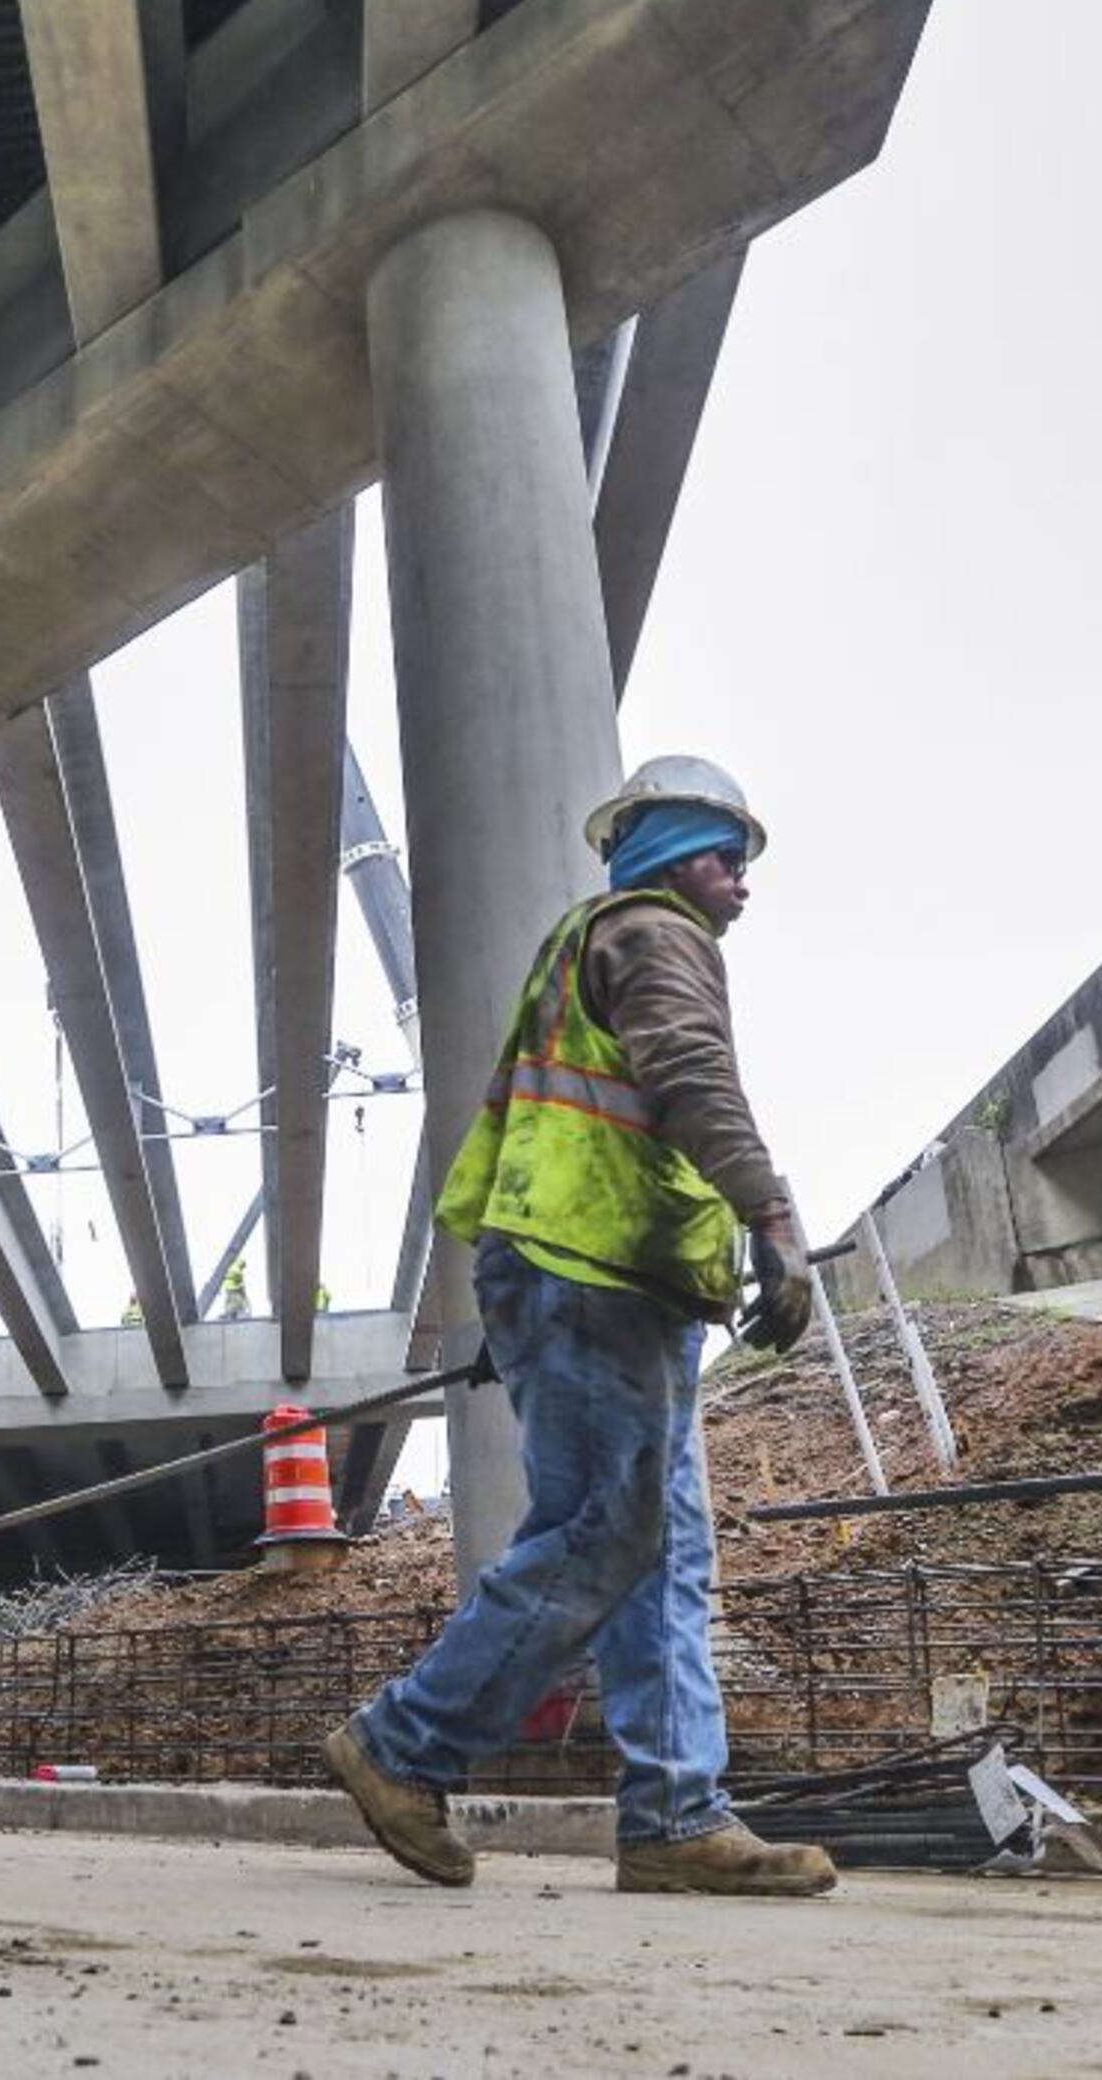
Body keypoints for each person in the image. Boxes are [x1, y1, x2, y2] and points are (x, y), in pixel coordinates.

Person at [321, 756, 829, 1897]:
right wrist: (773, 1217)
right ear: (665, 856)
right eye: (725, 859)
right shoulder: (654, 932)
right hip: (595, 1271)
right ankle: (404, 1744)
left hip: (592, 1280)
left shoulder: (585, 949)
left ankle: (674, 1817)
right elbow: (692, 1073)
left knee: (663, 1556)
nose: (742, 887)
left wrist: (519, 1307)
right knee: (607, 1532)